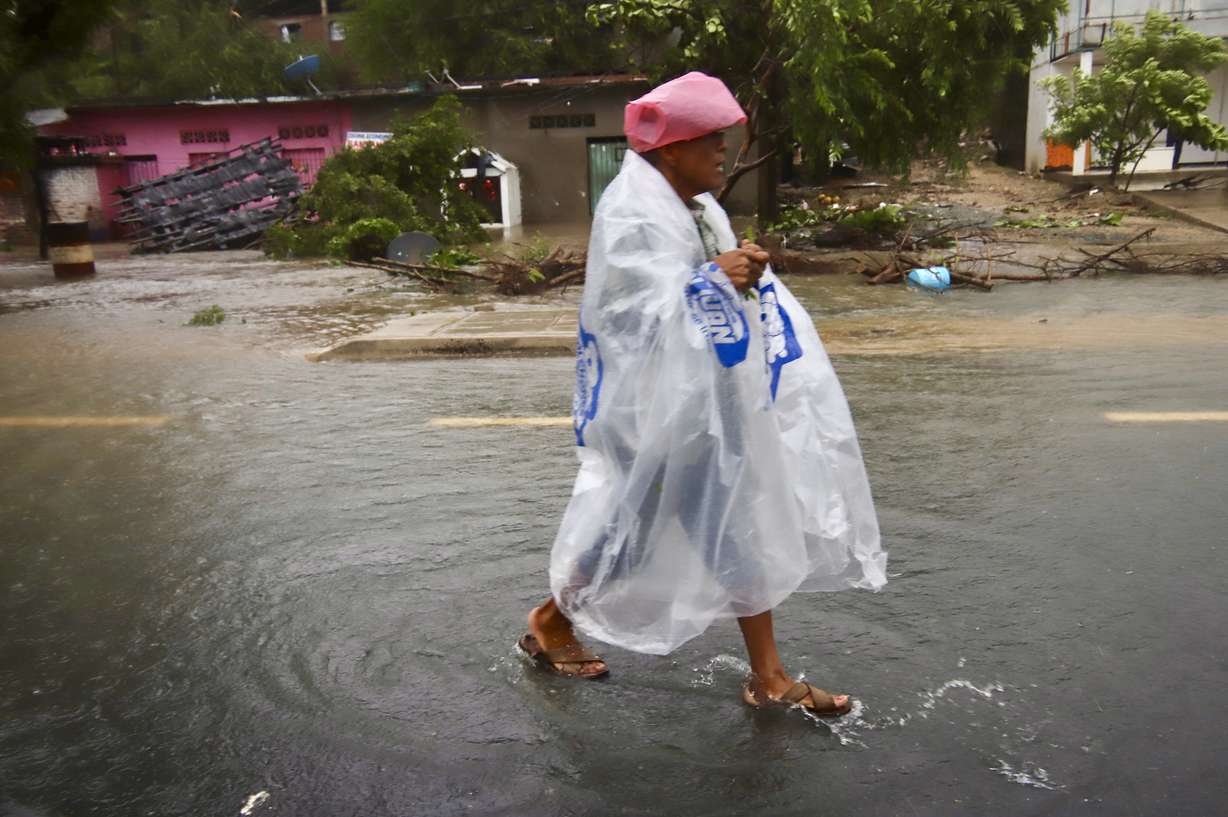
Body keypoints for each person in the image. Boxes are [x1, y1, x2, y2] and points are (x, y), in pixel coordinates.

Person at [517, 71, 886, 716]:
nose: (723, 151)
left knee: (726, 525)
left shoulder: (695, 205)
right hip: (649, 408)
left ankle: (766, 674)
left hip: (703, 402)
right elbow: (628, 317)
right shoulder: (633, 213)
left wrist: (734, 272)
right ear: (670, 150)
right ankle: (552, 621)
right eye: (710, 140)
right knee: (637, 532)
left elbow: (697, 290)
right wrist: (713, 277)